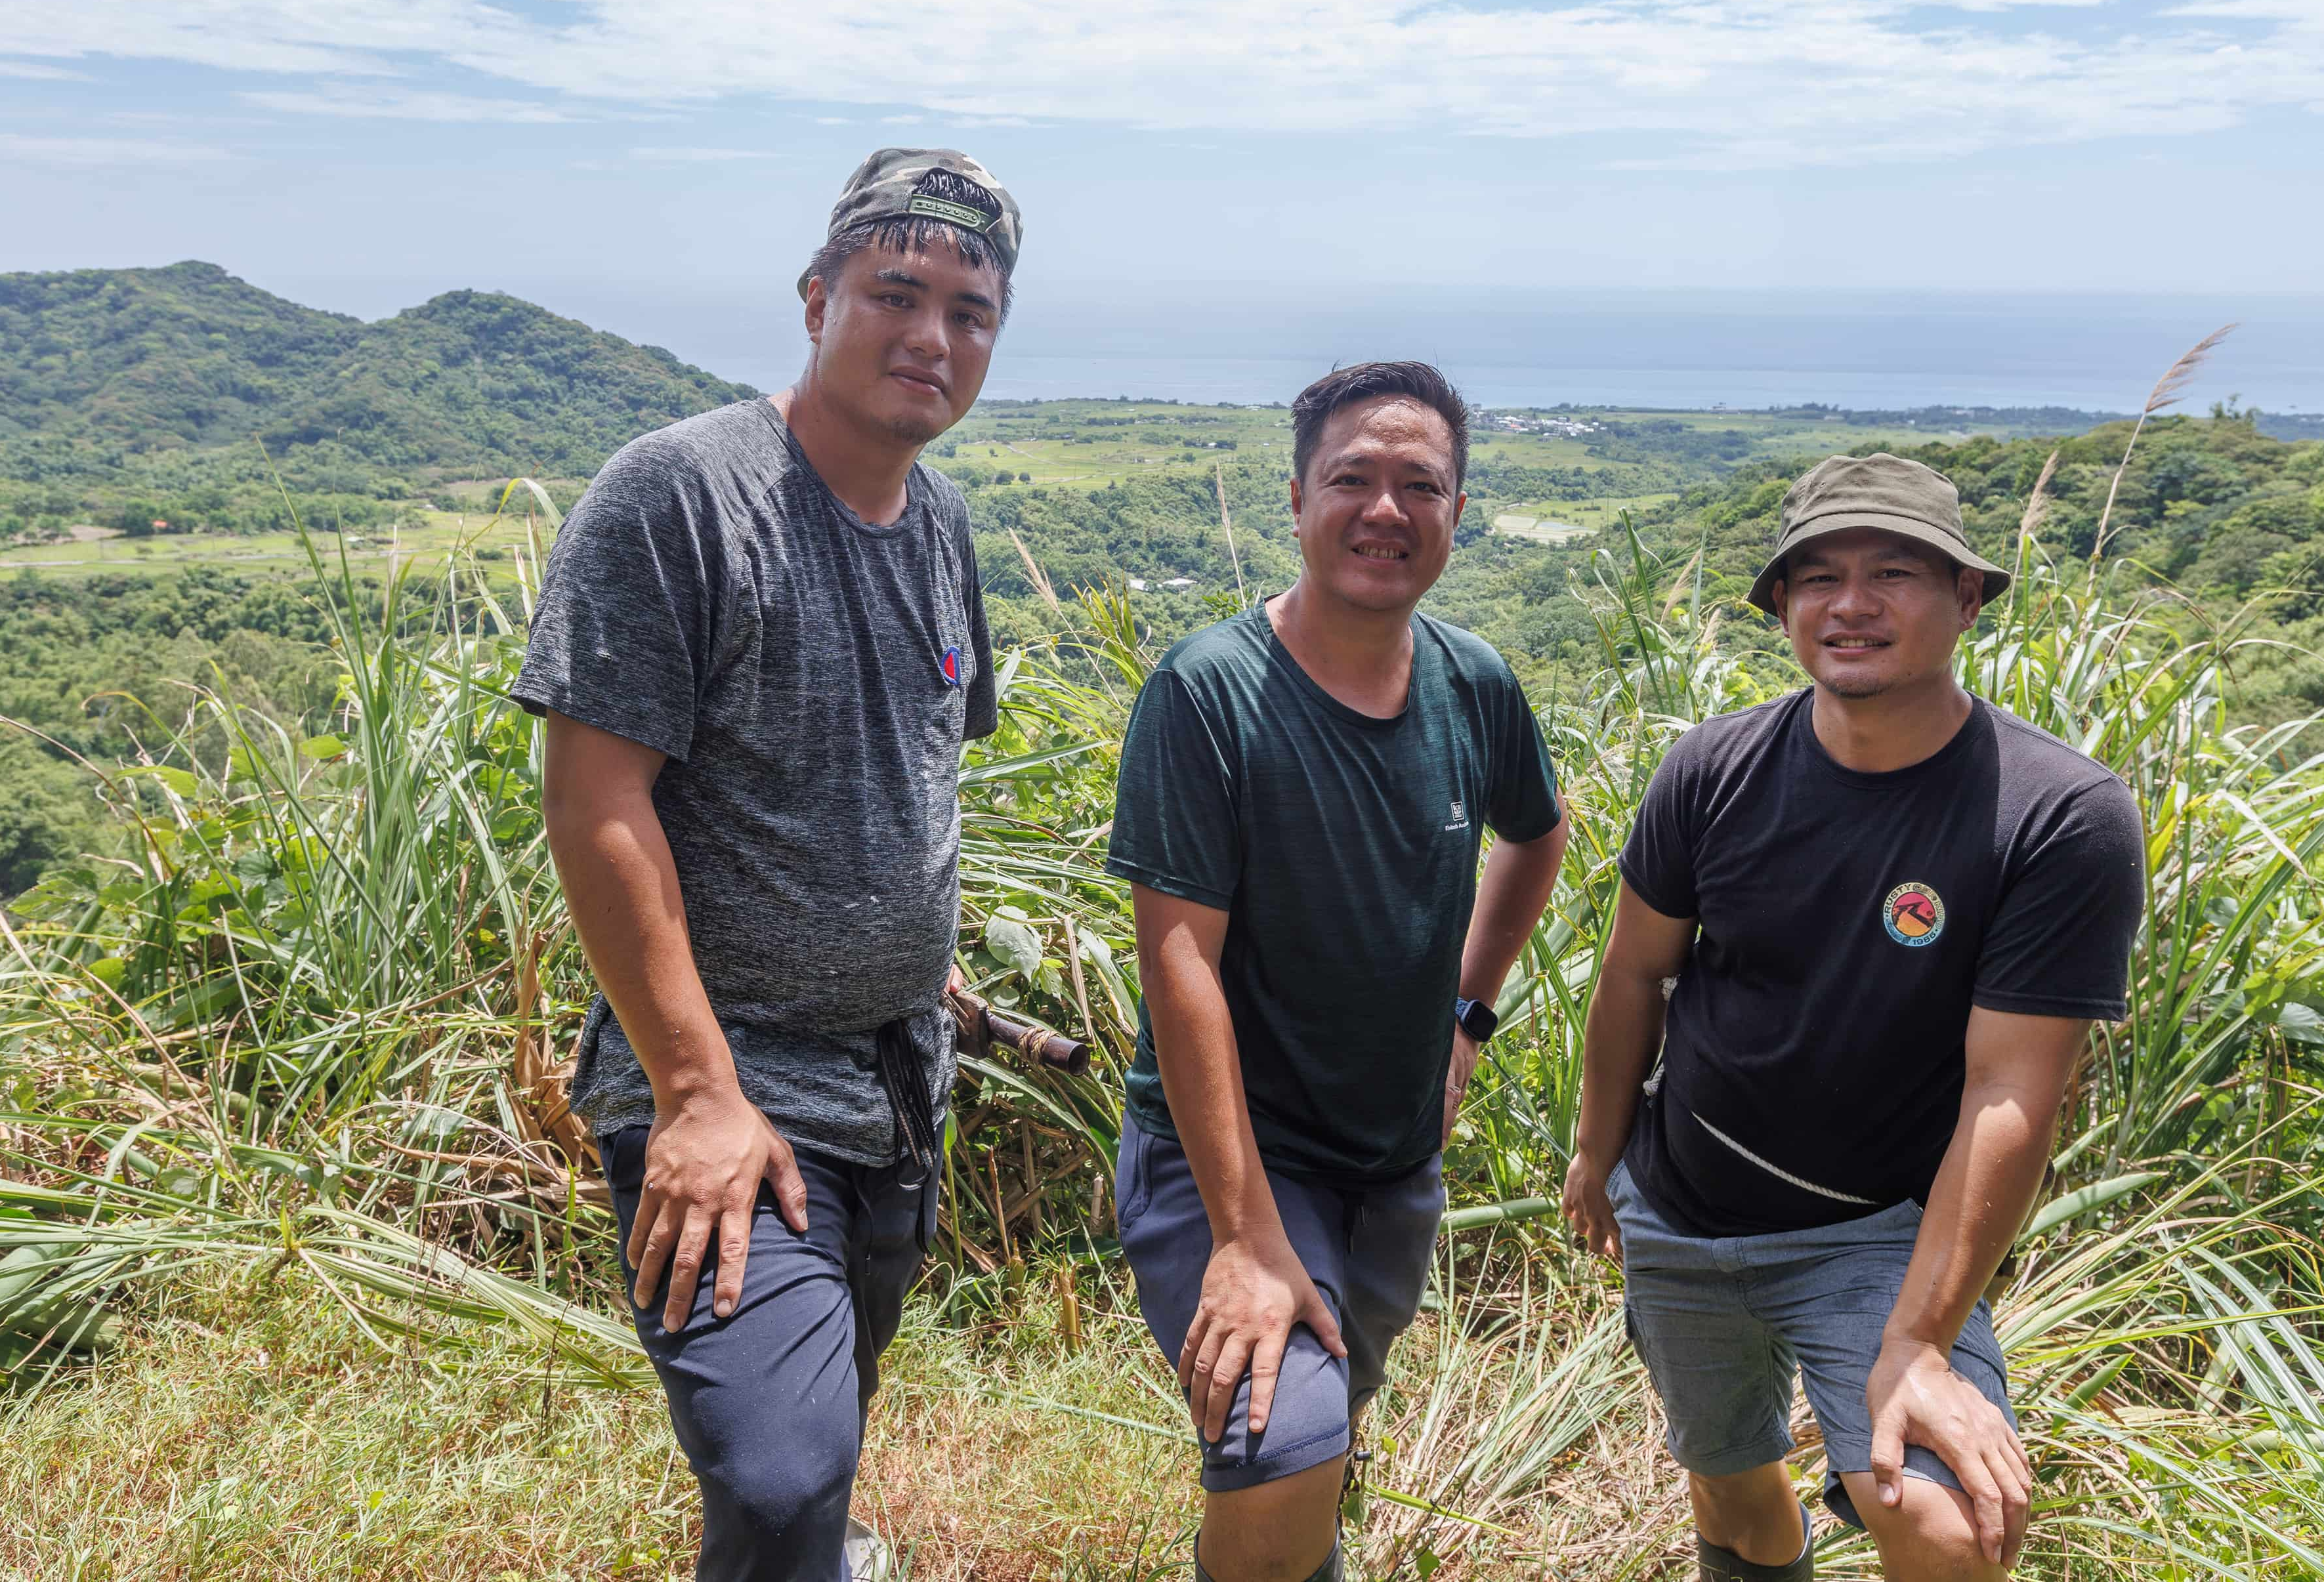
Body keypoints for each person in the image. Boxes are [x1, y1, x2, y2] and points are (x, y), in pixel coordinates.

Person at [513, 148, 1021, 1582]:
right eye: (896, 294)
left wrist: (934, 978)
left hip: (895, 1078)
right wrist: (695, 1094)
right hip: (730, 1079)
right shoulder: (680, 495)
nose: (932, 337)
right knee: (785, 1461)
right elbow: (596, 804)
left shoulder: (940, 524)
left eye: (969, 313)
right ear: (816, 299)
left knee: (819, 1438)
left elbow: (913, 777)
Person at [1561, 453, 2146, 1582]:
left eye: (1895, 571)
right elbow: (1635, 975)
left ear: (1968, 599)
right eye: (1817, 575)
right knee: (1732, 1489)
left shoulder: (2056, 814)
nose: (1852, 604)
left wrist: (1919, 1342)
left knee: (1949, 1525)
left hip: (1876, 1235)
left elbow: (2013, 1091)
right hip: (1678, 1212)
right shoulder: (1713, 768)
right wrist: (1597, 1154)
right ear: (1782, 605)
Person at [1109, 360, 1571, 1582]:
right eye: (1353, 479)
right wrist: (1245, 1237)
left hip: (1391, 1157)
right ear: (1298, 497)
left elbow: (1538, 833)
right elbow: (1179, 966)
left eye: (1420, 485)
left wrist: (1469, 1016)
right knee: (1286, 1439)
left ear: (1456, 514)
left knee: (1328, 1423)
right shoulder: (1210, 692)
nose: (1386, 511)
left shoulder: (1473, 683)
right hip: (1233, 1151)